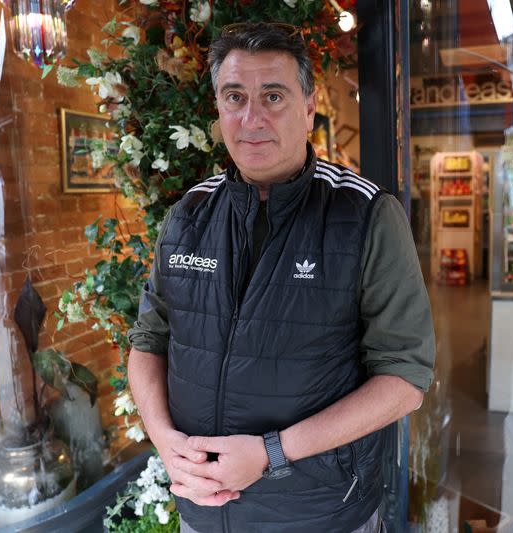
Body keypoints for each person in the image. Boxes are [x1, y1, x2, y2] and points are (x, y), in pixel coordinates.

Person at [127, 22, 435, 533]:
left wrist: (270, 453)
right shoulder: (189, 215)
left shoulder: (365, 216)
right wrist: (164, 439)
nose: (251, 118)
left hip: (321, 517)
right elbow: (148, 342)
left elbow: (405, 379)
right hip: (202, 516)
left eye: (273, 96)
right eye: (234, 96)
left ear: (309, 108)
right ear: (218, 109)